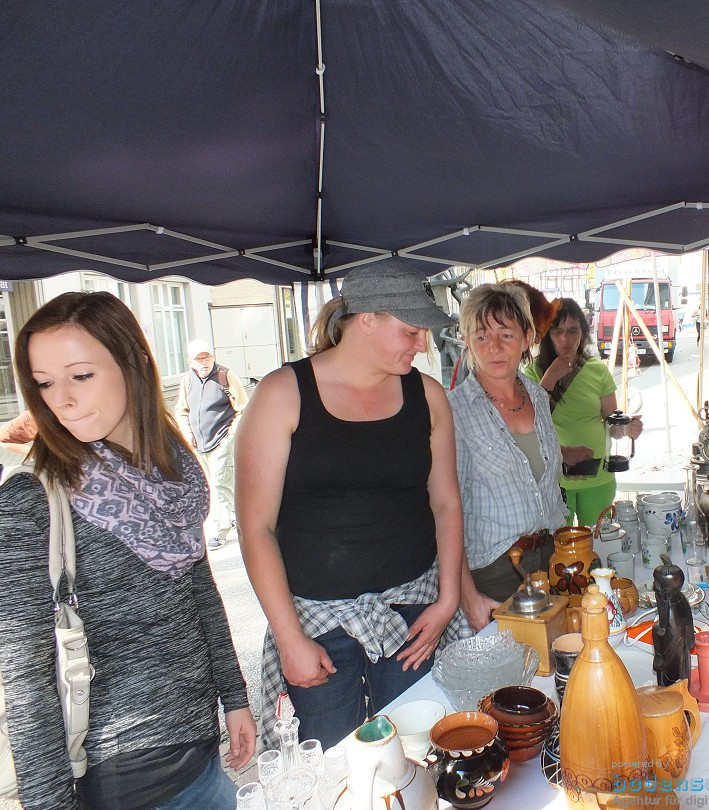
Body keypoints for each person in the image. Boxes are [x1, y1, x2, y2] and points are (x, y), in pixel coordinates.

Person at [0, 291, 255, 809]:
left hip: (199, 747)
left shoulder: (170, 467)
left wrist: (235, 697)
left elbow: (198, 588)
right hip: (120, 775)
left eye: (81, 375)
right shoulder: (33, 498)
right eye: (45, 383)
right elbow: (25, 677)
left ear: (134, 362)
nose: (61, 399)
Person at [235, 260, 464, 747]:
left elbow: (446, 503)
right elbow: (256, 529)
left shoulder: (427, 396)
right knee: (331, 767)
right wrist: (289, 638)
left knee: (416, 752)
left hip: (413, 614)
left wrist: (448, 599)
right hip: (315, 624)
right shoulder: (283, 394)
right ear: (367, 320)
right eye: (410, 331)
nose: (422, 344)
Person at [450, 282, 567, 631]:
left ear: (527, 336)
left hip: (552, 558)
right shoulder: (454, 410)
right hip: (494, 571)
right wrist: (467, 595)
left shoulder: (537, 395)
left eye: (506, 334)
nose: (495, 348)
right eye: (482, 337)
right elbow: (445, 511)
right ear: (467, 342)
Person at [525, 297, 642, 527]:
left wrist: (627, 427)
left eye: (572, 331)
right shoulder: (533, 372)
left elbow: (612, 423)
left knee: (599, 544)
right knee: (560, 549)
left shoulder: (597, 370)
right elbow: (529, 423)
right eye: (557, 331)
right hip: (555, 480)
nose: (565, 339)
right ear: (547, 335)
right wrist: (550, 377)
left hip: (597, 476)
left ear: (583, 333)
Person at [174, 339, 248, 550]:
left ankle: (220, 531)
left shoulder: (225, 376)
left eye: (207, 357)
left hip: (222, 440)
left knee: (217, 484)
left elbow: (242, 408)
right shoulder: (187, 381)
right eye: (199, 359)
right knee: (215, 485)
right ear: (190, 361)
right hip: (199, 444)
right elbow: (181, 410)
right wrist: (187, 434)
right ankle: (235, 515)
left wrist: (231, 434)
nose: (204, 362)